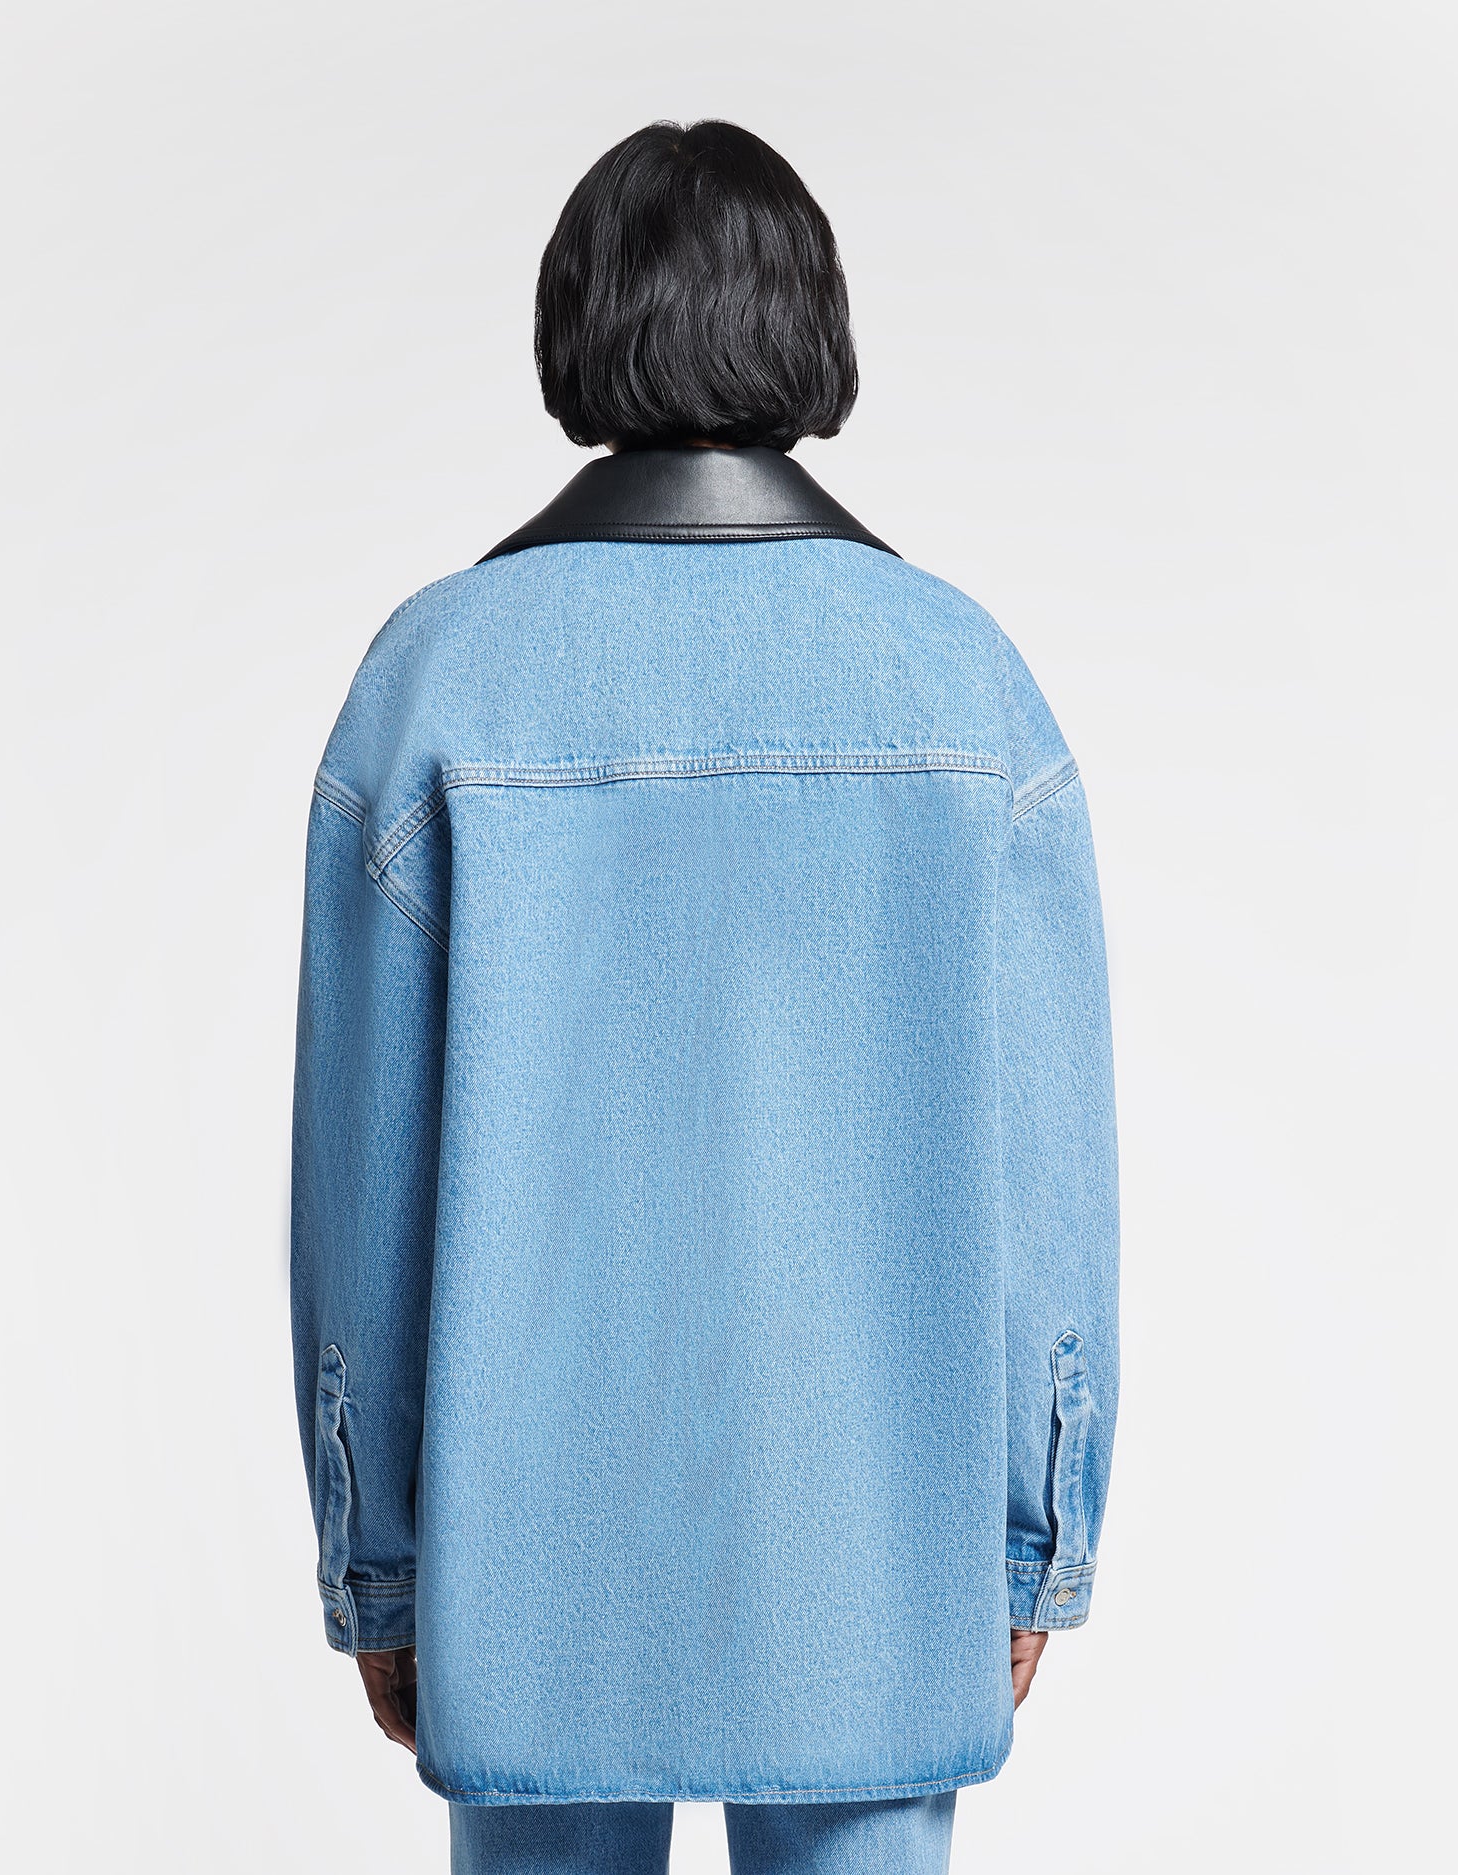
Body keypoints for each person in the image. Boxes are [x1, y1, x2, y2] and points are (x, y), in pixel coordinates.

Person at [292, 119, 1119, 1875]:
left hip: (528, 1562)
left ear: (574, 326)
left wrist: (379, 1563)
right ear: (813, 328)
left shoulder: (434, 680)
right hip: (874, 1563)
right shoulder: (966, 683)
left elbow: (361, 1191)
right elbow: (1049, 1187)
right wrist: (1036, 1538)